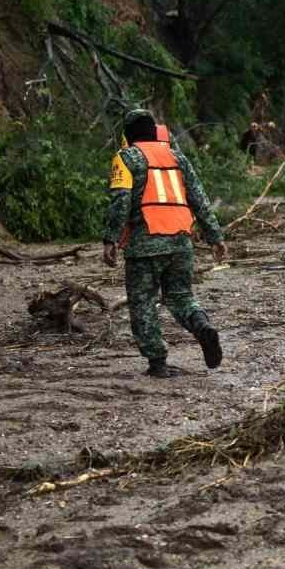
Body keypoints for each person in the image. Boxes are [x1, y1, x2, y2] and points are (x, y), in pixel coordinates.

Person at [103, 109, 227, 378]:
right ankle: (202, 326)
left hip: (145, 243)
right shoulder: (177, 157)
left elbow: (120, 201)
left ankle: (158, 362)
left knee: (143, 303)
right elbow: (200, 200)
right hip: (181, 241)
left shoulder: (126, 158)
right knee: (181, 297)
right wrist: (215, 236)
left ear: (128, 134)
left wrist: (110, 238)